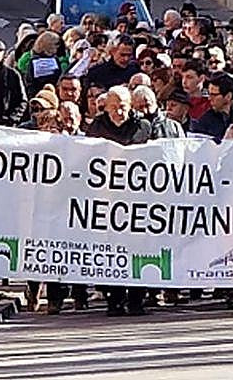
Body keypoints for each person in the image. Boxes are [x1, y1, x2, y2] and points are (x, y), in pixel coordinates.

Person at [87, 90, 151, 316]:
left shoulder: (143, 126)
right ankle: (113, 300)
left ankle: (136, 300)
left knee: (138, 250)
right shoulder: (96, 128)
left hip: (137, 202)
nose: (119, 111)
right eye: (114, 107)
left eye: (123, 105)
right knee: (111, 252)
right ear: (106, 107)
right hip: (107, 201)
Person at [193, 73, 233, 141]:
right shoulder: (204, 121)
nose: (209, 98)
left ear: (228, 96)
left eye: (214, 95)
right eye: (209, 94)